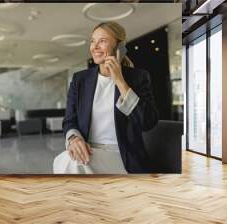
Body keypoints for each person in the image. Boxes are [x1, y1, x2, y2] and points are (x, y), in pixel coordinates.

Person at [53, 21, 158, 174]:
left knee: (73, 164)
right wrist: (73, 139)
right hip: (89, 151)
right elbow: (69, 120)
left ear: (119, 47)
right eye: (93, 41)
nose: (95, 47)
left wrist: (120, 82)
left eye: (102, 41)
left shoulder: (138, 78)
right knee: (63, 160)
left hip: (122, 155)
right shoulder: (80, 80)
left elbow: (148, 122)